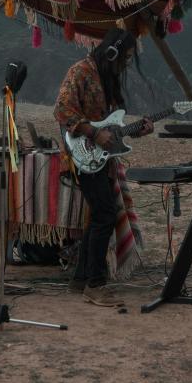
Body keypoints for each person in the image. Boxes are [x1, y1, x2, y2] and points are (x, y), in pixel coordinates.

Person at [54, 27, 154, 307]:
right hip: (82, 155)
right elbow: (62, 110)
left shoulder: (106, 76)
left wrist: (138, 129)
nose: (126, 63)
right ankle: (95, 285)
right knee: (104, 215)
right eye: (125, 57)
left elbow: (113, 126)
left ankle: (81, 279)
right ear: (112, 52)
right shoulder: (80, 72)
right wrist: (94, 134)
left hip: (102, 160)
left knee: (99, 215)